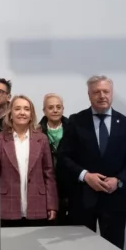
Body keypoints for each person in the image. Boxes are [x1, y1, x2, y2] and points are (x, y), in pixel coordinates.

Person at [58, 76, 126, 249]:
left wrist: (119, 180)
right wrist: (85, 176)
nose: (101, 95)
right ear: (89, 95)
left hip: (114, 200)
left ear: (111, 93)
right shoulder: (76, 121)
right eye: (96, 92)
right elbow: (63, 157)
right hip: (83, 199)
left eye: (105, 91)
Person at [0, 95, 58, 226]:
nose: (22, 112)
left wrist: (52, 204)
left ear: (31, 115)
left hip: (37, 205)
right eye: (17, 109)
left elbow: (49, 174)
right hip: (7, 206)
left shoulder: (41, 139)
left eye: (26, 109)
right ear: (10, 114)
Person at [40, 93, 69, 221]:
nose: (55, 110)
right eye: (51, 107)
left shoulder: (73, 129)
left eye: (59, 107)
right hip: (46, 185)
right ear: (44, 111)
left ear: (63, 109)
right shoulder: (36, 131)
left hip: (69, 186)